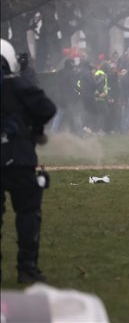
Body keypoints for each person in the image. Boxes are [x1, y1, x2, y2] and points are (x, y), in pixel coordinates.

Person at [1, 39, 57, 284]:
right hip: (20, 158)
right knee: (28, 212)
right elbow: (46, 108)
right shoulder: (18, 85)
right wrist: (32, 128)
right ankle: (27, 269)